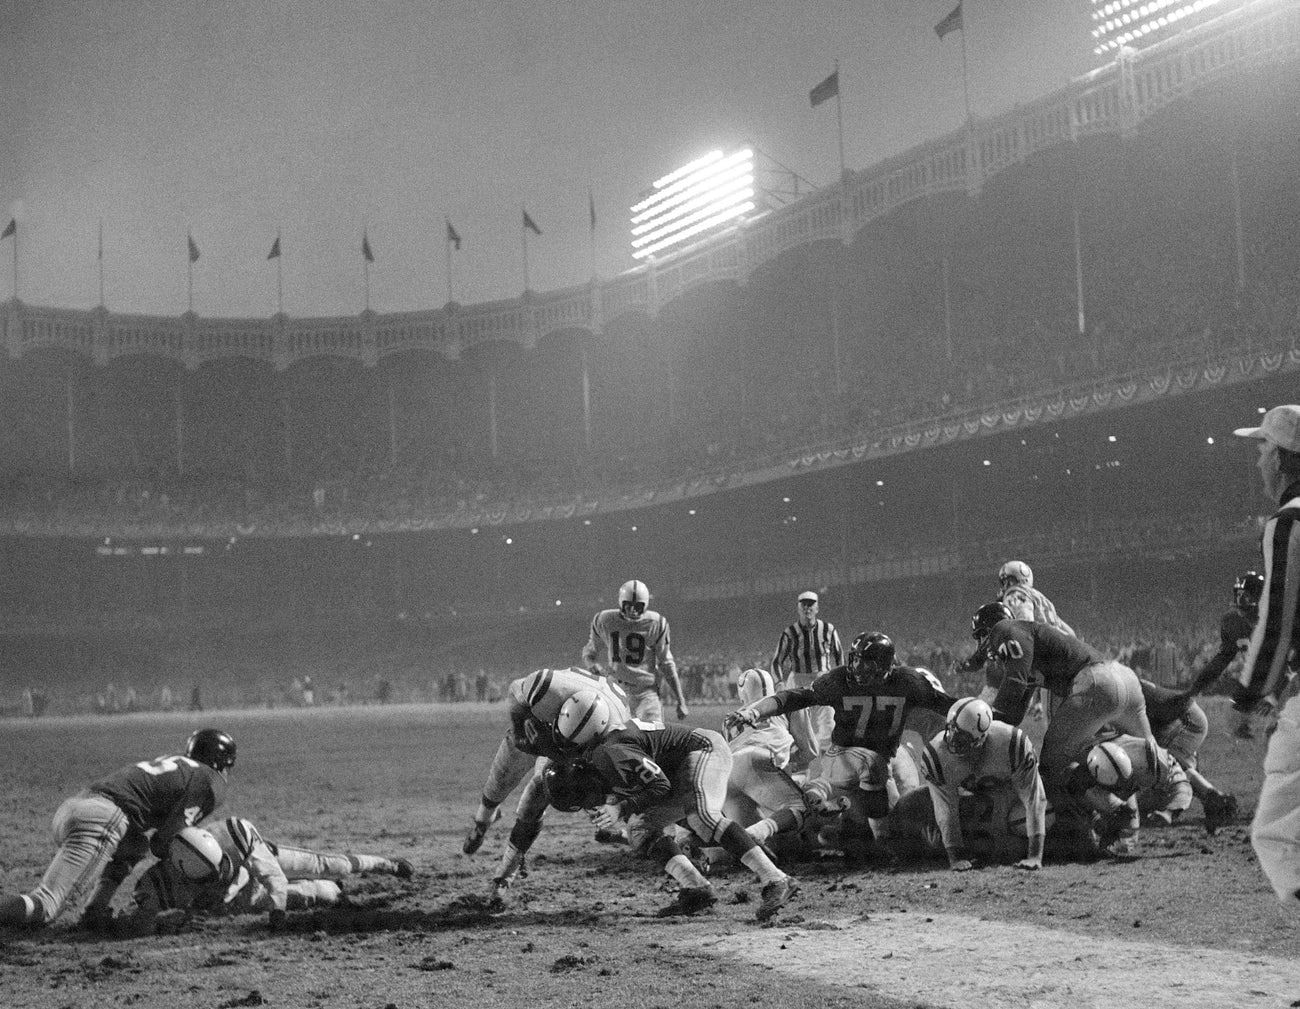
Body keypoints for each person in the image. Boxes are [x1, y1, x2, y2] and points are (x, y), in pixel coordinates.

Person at [547, 689, 798, 922]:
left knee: (702, 816)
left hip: (703, 749)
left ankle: (776, 879)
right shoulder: (604, 746)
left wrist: (620, 808)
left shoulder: (612, 749)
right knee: (640, 829)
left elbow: (660, 787)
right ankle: (696, 887)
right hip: (678, 770)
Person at [729, 631, 957, 862]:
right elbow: (795, 697)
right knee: (846, 798)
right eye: (855, 659)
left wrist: (977, 714)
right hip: (845, 764)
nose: (857, 667)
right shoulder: (841, 680)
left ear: (884, 665)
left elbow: (947, 705)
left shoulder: (907, 683)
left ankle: (853, 830)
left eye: (865, 663)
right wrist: (756, 711)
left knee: (877, 832)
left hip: (873, 776)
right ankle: (863, 832)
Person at [0, 728, 235, 930]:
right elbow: (164, 841)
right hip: (103, 818)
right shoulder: (209, 779)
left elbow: (154, 838)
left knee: (136, 844)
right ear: (221, 764)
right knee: (45, 906)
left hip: (74, 809)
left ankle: (95, 911)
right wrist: (195, 872)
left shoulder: (179, 763)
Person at [969, 601, 1157, 809]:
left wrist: (982, 724)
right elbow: (1014, 715)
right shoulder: (1029, 646)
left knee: (1053, 765)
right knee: (1149, 757)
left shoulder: (1006, 631)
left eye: (981, 636)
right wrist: (994, 722)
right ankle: (1144, 807)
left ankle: (1107, 811)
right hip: (1124, 679)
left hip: (1096, 684)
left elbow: (1013, 686)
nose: (981, 644)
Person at [1229, 404, 1300, 907]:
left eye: (1262, 448)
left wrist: (1247, 698)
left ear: (1281, 457)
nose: (1258, 461)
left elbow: (1277, 621)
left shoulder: (1289, 522)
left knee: (1278, 834)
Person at [121, 816, 413, 933]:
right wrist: (167, 923)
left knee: (331, 865)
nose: (221, 873)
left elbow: (275, 879)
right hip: (239, 898)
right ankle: (334, 890)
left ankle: (387, 864)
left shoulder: (233, 836)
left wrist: (278, 912)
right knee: (319, 893)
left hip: (257, 862)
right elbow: (137, 922)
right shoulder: (156, 885)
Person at [461, 666, 632, 855]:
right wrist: (520, 729)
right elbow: (515, 688)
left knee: (560, 785)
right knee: (501, 778)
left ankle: (514, 855)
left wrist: (555, 754)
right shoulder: (549, 688)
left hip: (581, 744)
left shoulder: (616, 737)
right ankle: (482, 822)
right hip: (541, 723)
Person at [909, 697, 1047, 872]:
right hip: (971, 801)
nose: (953, 741)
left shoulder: (1012, 744)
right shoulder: (937, 754)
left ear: (981, 738)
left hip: (1010, 799)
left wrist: (1035, 855)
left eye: (961, 737)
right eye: (951, 731)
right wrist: (955, 856)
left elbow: (1034, 797)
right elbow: (945, 807)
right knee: (910, 805)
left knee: (1026, 817)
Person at [1137, 677, 1237, 834]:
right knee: (1172, 767)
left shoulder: (1120, 691)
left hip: (1184, 718)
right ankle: (1214, 801)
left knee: (1167, 764)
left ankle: (1214, 799)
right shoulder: (1122, 683)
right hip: (1180, 718)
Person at [582, 579, 688, 724]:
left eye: (637, 606)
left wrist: (681, 700)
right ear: (621, 603)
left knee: (652, 733)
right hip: (616, 690)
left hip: (646, 693)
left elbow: (666, 664)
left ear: (645, 605)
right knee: (614, 734)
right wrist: (592, 665)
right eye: (628, 605)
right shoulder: (605, 620)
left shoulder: (655, 623)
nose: (632, 610)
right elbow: (589, 653)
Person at [1066, 736, 1191, 859]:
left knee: (1125, 842)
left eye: (1125, 781)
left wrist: (1169, 813)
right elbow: (1072, 789)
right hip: (1095, 782)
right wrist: (1095, 817)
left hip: (1136, 779)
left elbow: (1182, 785)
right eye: (1117, 786)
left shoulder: (1149, 759)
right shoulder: (1080, 769)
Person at [770, 590, 844, 780]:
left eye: (811, 604)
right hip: (798, 682)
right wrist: (779, 683)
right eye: (803, 604)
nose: (807, 608)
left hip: (823, 680)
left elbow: (839, 657)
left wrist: (840, 681)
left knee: (828, 729)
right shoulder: (789, 633)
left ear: (817, 607)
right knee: (799, 732)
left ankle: (827, 777)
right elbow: (777, 661)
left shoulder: (828, 629)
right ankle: (801, 777)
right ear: (798, 608)